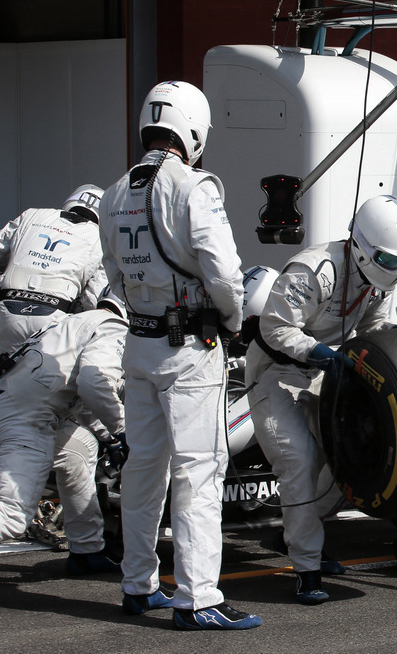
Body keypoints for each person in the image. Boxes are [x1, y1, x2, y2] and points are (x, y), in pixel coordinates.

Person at [99, 80, 261, 630]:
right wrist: (235, 321)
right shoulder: (195, 187)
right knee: (199, 472)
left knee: (144, 469)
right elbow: (224, 272)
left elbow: (115, 277)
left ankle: (138, 585)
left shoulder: (115, 192)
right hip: (190, 347)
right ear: (193, 129)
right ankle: (199, 599)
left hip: (138, 345)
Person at [246, 194, 397, 605]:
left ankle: (293, 534)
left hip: (330, 372)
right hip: (277, 371)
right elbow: (274, 329)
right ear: (363, 246)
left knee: (350, 463)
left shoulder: (379, 282)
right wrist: (319, 354)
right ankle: (307, 569)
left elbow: (375, 329)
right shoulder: (315, 270)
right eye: (392, 260)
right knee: (300, 461)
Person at [0, 296, 126, 572]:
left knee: (79, 450)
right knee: (12, 514)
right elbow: (94, 383)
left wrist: (109, 437)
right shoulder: (113, 328)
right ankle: (87, 550)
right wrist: (124, 430)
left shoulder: (71, 323)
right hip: (22, 419)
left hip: (0, 406)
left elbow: (81, 397)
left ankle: (87, 551)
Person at [0, 184, 109, 381]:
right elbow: (93, 299)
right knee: (38, 393)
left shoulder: (32, 215)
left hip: (8, 309)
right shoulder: (100, 240)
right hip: (53, 319)